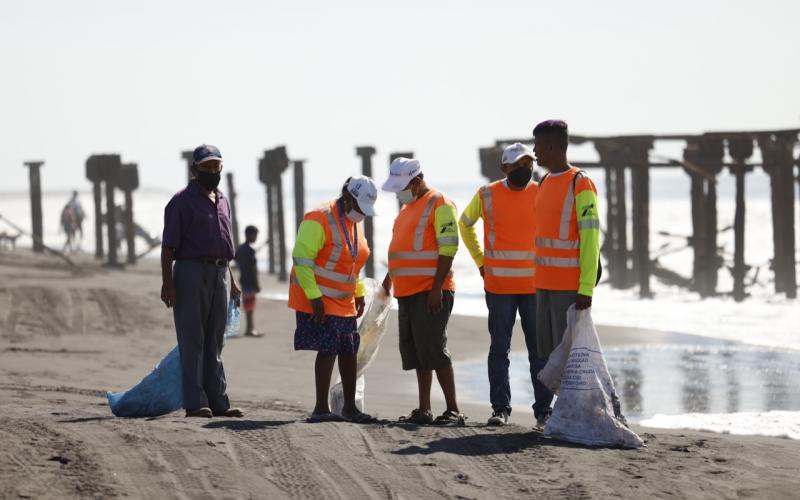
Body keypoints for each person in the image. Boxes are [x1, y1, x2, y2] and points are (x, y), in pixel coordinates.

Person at [459, 143, 551, 427]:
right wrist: (480, 262)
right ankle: (500, 409)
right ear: (504, 168)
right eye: (518, 165)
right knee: (500, 349)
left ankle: (544, 411)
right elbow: (465, 224)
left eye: (528, 164)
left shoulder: (542, 191)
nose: (525, 170)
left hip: (535, 287)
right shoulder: (486, 194)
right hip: (499, 287)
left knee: (540, 352)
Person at [160, 144, 244, 419]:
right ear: (195, 169)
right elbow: (168, 248)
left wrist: (231, 281)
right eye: (206, 166)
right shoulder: (181, 201)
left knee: (215, 340)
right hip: (190, 272)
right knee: (193, 338)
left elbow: (223, 245)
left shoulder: (222, 200)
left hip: (219, 273)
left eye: (216, 166)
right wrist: (168, 284)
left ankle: (218, 401)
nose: (212, 171)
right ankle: (195, 403)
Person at [381, 158, 466, 426]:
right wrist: (389, 278)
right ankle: (424, 408)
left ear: (416, 181)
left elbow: (448, 247)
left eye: (403, 187)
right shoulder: (407, 209)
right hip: (407, 292)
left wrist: (436, 288)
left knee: (434, 349)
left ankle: (453, 410)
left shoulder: (439, 203)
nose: (399, 193)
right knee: (418, 352)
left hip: (430, 290)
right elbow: (400, 249)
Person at [289, 175, 378, 423]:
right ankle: (320, 408)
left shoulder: (353, 222)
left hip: (344, 298)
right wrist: (314, 296)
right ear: (348, 199)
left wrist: (359, 291)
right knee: (328, 347)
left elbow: (352, 262)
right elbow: (302, 259)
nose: (363, 213)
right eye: (360, 207)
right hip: (319, 295)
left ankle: (349, 407)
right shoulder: (319, 217)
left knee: (349, 348)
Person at [532, 120, 601, 419]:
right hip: (543, 284)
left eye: (537, 145)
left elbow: (590, 238)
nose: (534, 151)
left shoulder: (580, 183)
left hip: (568, 287)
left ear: (552, 146)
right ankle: (562, 413)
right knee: (550, 356)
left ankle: (574, 415)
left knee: (570, 356)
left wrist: (586, 287)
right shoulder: (545, 182)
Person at [234, 225, 263, 337]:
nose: (256, 238)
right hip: (250, 281)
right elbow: (253, 269)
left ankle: (250, 328)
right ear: (249, 235)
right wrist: (257, 284)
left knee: (248, 305)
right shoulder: (250, 251)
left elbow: (236, 260)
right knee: (250, 305)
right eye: (255, 235)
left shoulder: (240, 249)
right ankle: (250, 329)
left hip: (243, 280)